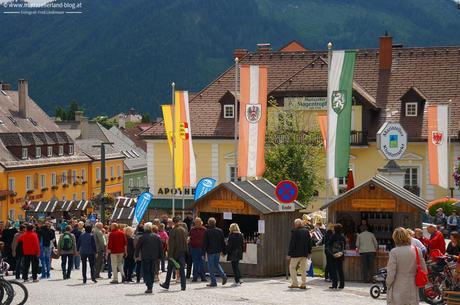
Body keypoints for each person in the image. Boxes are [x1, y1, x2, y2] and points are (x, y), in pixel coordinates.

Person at [386, 227, 427, 305]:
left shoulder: (394, 252)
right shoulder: (417, 250)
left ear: (395, 238)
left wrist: (388, 284)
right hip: (413, 286)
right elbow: (424, 270)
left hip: (398, 286)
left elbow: (391, 273)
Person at [160, 216, 188, 291]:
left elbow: (171, 244)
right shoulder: (184, 230)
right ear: (180, 221)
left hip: (174, 253)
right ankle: (183, 286)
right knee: (182, 269)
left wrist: (170, 255)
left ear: (173, 222)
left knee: (169, 269)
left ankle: (166, 284)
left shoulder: (173, 231)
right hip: (182, 251)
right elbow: (186, 241)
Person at [135, 223, 163, 294]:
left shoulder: (142, 237)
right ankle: (150, 285)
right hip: (154, 257)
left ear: (145, 228)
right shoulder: (157, 236)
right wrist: (160, 256)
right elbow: (160, 247)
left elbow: (138, 247)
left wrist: (136, 255)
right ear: (151, 228)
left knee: (146, 271)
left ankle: (149, 286)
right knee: (152, 271)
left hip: (145, 257)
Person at [287, 218, 312, 289]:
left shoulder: (295, 232)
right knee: (303, 269)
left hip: (296, 254)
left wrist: (289, 254)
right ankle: (303, 284)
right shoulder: (307, 231)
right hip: (304, 253)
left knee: (292, 267)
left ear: (296, 225)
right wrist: (309, 252)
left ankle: (295, 283)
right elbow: (309, 243)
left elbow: (292, 244)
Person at [203, 217, 227, 287]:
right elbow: (223, 242)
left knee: (210, 267)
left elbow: (205, 243)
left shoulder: (207, 231)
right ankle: (223, 275)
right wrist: (224, 251)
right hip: (218, 251)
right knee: (216, 264)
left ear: (208, 223)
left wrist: (203, 252)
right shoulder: (220, 231)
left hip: (210, 251)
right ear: (215, 223)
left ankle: (213, 282)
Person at [327, 224, 346, 289]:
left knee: (334, 270)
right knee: (340, 270)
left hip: (334, 255)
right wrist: (341, 253)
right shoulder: (342, 237)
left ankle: (334, 285)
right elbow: (344, 246)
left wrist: (332, 253)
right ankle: (342, 285)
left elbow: (329, 245)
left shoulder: (332, 236)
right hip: (340, 255)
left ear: (334, 229)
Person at [189, 217, 207, 282]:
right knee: (195, 263)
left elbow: (206, 240)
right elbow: (189, 238)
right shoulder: (192, 229)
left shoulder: (204, 230)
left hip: (202, 249)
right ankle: (195, 277)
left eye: (198, 222)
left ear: (201, 223)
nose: (197, 223)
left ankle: (203, 277)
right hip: (193, 249)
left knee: (201, 263)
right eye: (196, 222)